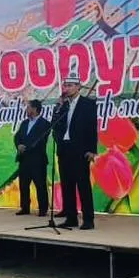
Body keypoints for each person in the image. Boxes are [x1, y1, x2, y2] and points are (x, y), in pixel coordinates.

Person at [53, 72, 98, 230]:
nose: (67, 88)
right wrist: (58, 107)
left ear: (78, 87)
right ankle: (71, 217)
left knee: (83, 185)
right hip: (64, 149)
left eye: (70, 85)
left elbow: (92, 128)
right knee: (67, 185)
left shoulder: (88, 104)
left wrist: (92, 150)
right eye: (65, 85)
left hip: (80, 150)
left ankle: (88, 219)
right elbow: (55, 125)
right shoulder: (63, 105)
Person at [14, 99, 52, 216]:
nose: (26, 110)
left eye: (28, 107)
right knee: (23, 185)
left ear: (35, 109)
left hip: (37, 159)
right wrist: (19, 145)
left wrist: (26, 147)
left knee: (40, 185)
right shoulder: (24, 123)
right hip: (24, 159)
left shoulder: (45, 124)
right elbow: (17, 136)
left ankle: (43, 209)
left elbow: (40, 140)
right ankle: (25, 207)